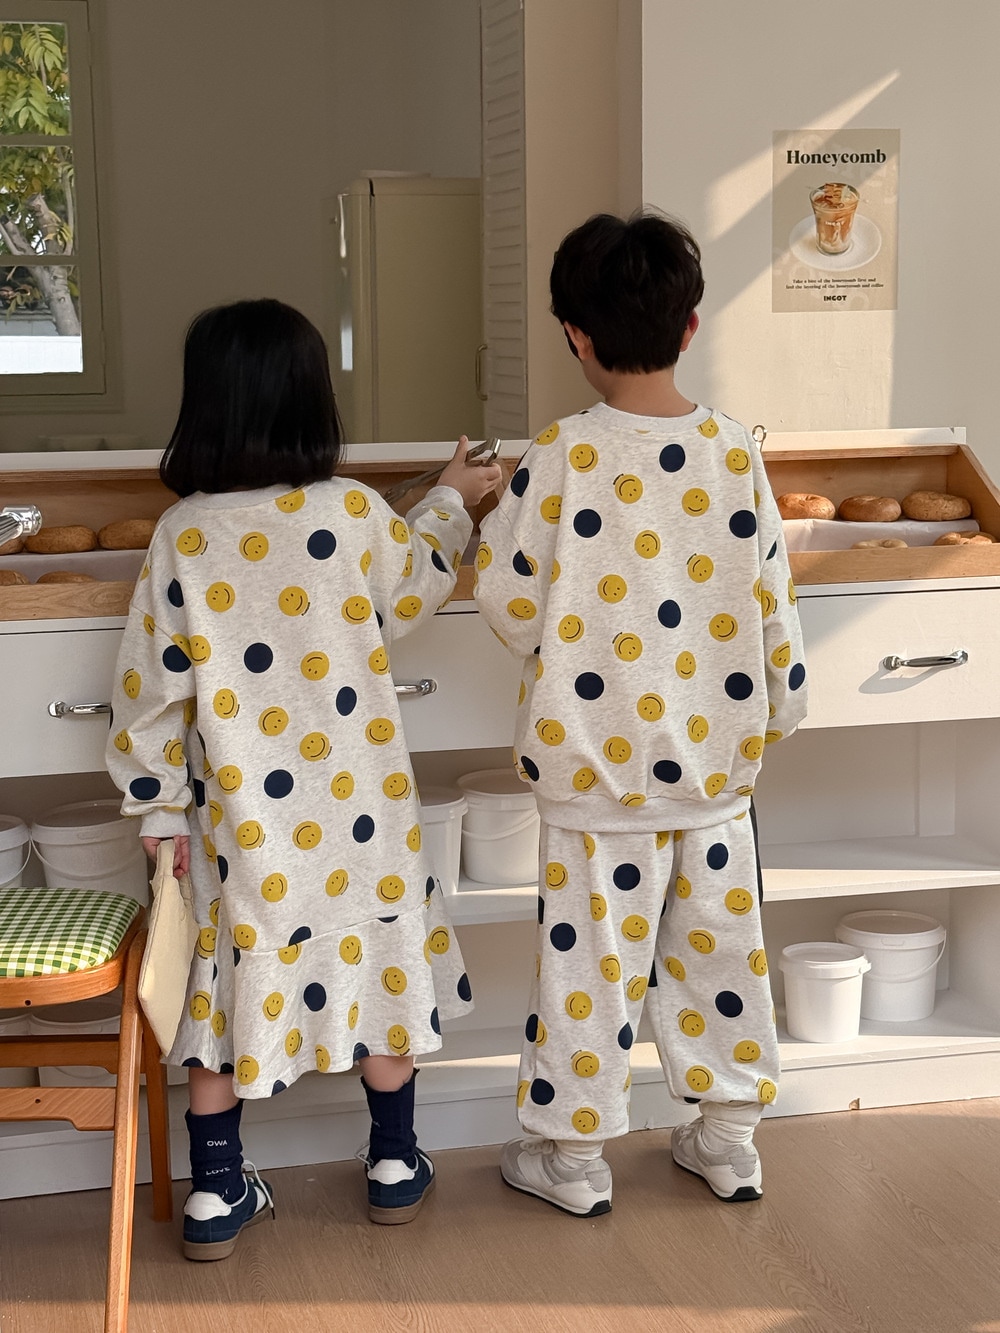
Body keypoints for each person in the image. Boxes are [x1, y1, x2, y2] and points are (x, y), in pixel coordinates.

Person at [105, 298, 502, 1260]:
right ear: (311, 402)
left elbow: (148, 691)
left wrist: (156, 807)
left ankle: (215, 1191)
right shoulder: (349, 513)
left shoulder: (182, 535)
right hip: (364, 815)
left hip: (244, 830)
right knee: (381, 968)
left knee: (216, 1000)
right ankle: (395, 1161)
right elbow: (419, 582)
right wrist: (453, 496)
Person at [473, 211, 808, 1217]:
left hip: (594, 780)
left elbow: (508, 600)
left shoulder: (560, 454)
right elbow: (772, 604)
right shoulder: (736, 452)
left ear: (574, 335)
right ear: (690, 326)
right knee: (722, 955)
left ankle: (572, 1158)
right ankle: (728, 1140)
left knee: (590, 970)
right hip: (713, 778)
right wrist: (776, 711)